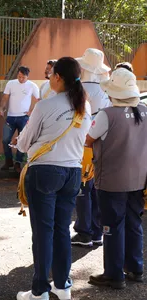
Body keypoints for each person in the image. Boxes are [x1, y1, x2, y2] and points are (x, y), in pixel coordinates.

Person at [14, 57, 92, 300]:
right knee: (61, 230)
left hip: (45, 172)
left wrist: (26, 143)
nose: (49, 78)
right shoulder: (84, 106)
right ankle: (63, 285)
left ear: (58, 77)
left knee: (43, 232)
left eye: (51, 74)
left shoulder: (45, 106)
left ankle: (39, 291)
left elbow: (24, 144)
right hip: (72, 173)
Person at [86, 68, 147, 289]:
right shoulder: (145, 111)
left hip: (111, 180)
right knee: (134, 223)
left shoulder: (107, 114)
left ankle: (114, 274)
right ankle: (135, 268)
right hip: (139, 179)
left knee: (111, 226)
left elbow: (88, 139)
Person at [71, 48, 111, 248]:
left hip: (82, 146)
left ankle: (84, 231)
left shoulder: (79, 90)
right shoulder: (105, 91)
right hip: (102, 147)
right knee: (95, 190)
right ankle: (96, 230)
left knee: (83, 190)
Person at [0, 66, 40, 173]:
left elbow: (39, 100)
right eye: (19, 76)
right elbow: (5, 98)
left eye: (23, 77)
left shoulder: (32, 86)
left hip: (24, 117)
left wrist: (31, 111)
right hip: (11, 116)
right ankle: (8, 160)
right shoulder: (11, 84)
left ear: (27, 76)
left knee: (22, 140)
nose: (21, 79)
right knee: (5, 139)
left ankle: (18, 162)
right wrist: (1, 108)